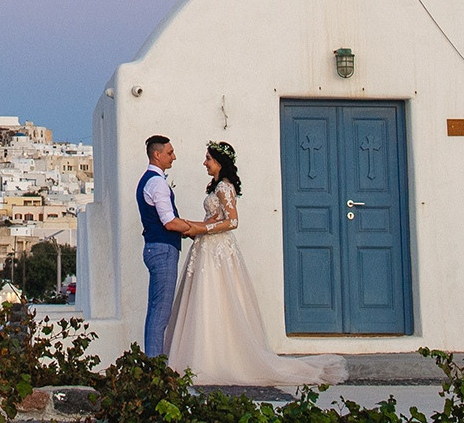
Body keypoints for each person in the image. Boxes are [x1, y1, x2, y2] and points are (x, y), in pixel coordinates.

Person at [162, 140, 346, 389]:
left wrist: (201, 228)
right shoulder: (216, 187)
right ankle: (204, 355)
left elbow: (233, 221)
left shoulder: (225, 188)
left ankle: (218, 359)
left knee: (221, 298)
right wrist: (193, 225)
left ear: (219, 162)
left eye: (208, 158)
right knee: (205, 300)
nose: (204, 163)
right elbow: (213, 219)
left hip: (218, 249)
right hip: (207, 247)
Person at [136, 135, 204, 353]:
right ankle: (155, 365)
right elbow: (169, 222)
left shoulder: (149, 180)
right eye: (170, 153)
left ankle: (152, 362)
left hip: (156, 247)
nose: (173, 157)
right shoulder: (157, 183)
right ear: (157, 155)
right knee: (160, 312)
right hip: (162, 249)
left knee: (156, 309)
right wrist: (198, 229)